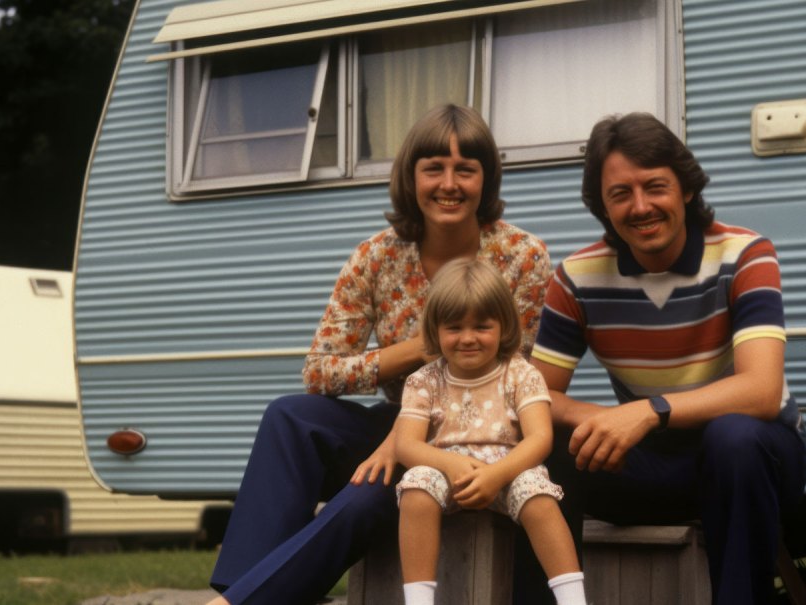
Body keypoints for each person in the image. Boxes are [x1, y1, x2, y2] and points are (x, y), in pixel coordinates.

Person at [206, 104, 552, 605]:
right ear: (411, 177)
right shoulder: (378, 256)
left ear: (487, 180)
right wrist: (419, 351)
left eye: (466, 170)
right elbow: (320, 372)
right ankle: (234, 588)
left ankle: (239, 603)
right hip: (403, 417)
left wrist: (404, 437)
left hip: (482, 436)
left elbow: (505, 368)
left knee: (366, 496)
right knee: (290, 415)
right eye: (433, 168)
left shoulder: (521, 255)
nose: (448, 183)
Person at [526, 113, 806, 605]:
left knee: (733, 436)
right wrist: (607, 419)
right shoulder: (576, 276)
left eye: (655, 187)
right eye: (620, 194)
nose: (640, 207)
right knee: (543, 448)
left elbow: (761, 392)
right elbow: (532, 395)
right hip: (650, 464)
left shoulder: (744, 255)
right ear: (603, 206)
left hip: (754, 458)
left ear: (686, 190)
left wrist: (647, 411)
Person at [393, 258, 585, 605]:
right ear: (435, 330)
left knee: (539, 494)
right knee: (416, 487)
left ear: (503, 326)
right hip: (444, 472)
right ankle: (418, 601)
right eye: (454, 327)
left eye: (481, 326)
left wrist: (498, 475)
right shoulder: (425, 381)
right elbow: (406, 445)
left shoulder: (520, 374)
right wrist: (449, 465)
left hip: (507, 470)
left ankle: (573, 598)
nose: (467, 338)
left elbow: (540, 438)